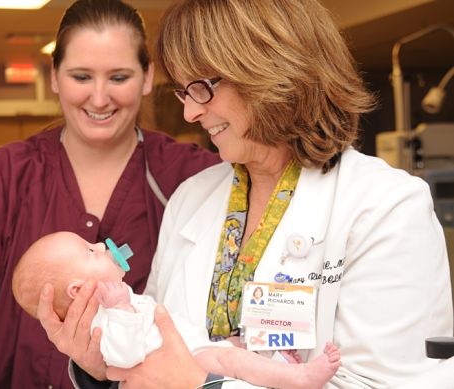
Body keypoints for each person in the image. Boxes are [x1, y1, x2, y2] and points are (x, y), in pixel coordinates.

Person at [38, 0, 454, 387]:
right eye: (183, 92)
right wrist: (100, 366)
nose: (189, 112)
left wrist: (201, 384)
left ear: (269, 70)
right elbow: (154, 345)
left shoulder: (386, 207)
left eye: (201, 87)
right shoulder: (192, 197)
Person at [0, 0, 220, 387]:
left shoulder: (189, 177)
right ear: (54, 77)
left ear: (148, 78)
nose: (99, 98)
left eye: (118, 77)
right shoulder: (9, 175)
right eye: (81, 77)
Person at [13, 231, 341, 389]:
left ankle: (280, 364)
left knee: (236, 352)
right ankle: (297, 377)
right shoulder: (104, 320)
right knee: (232, 358)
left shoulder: (114, 303)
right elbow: (124, 359)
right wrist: (123, 309)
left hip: (191, 351)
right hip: (187, 359)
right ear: (76, 290)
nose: (101, 246)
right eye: (89, 251)